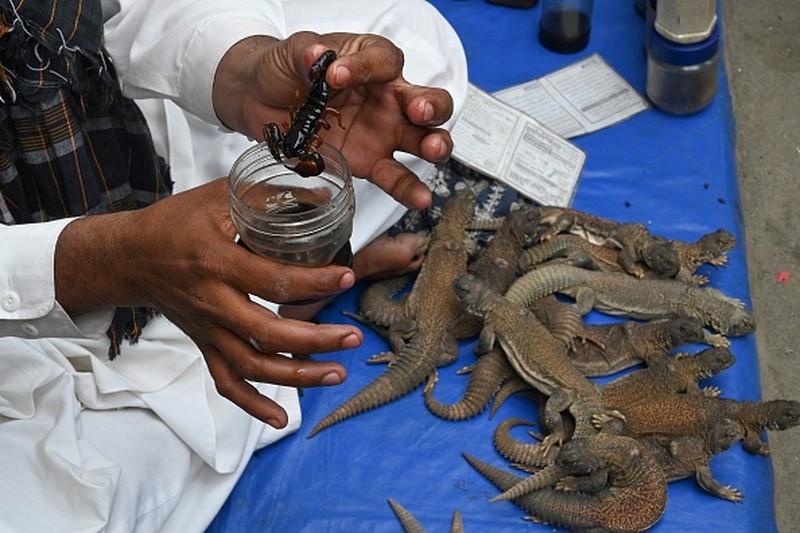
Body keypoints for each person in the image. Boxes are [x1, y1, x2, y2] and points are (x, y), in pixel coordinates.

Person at [0, 0, 467, 531]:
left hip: (88, 135)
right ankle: (292, 289)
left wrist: (242, 74)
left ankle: (263, 288)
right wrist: (106, 262)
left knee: (416, 53)